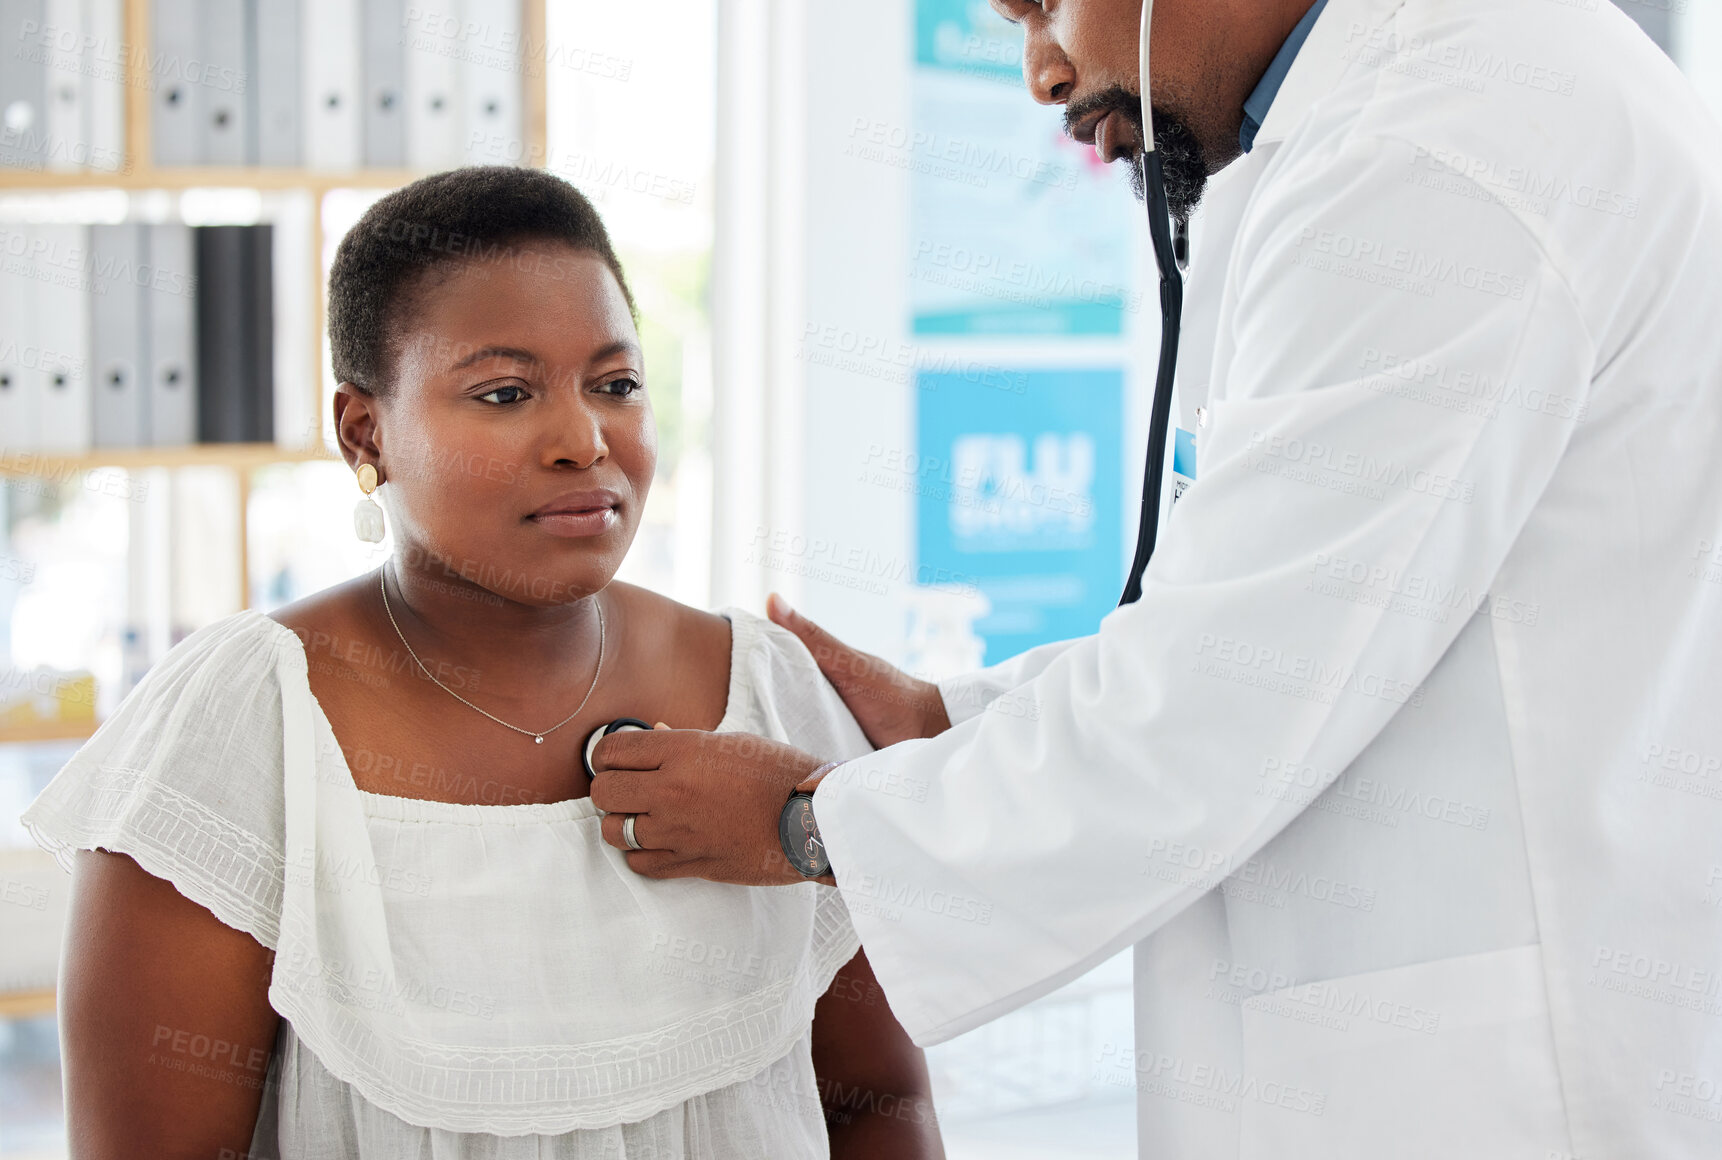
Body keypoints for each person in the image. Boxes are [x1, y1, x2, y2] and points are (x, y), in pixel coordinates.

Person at [588, 0, 1722, 1155]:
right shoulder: (1375, 125)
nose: (1043, 74)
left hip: (1505, 1089)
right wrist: (953, 721)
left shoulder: (1438, 152)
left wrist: (806, 825)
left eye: (1039, 6)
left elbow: (1222, 708)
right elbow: (1251, 624)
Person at [22, 167, 943, 1160]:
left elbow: (876, 1100)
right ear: (364, 431)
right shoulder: (250, 721)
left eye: (617, 384)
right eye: (506, 392)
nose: (584, 438)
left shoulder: (773, 689)